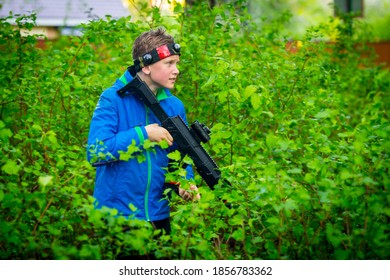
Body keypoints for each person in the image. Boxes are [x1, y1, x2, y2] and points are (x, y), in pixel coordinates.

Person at [87, 28, 200, 235]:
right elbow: (97, 152)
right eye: (169, 63)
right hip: (118, 217)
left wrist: (185, 182)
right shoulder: (112, 99)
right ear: (146, 66)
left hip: (159, 216)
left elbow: (179, 157)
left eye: (177, 63)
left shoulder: (174, 106)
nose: (176, 70)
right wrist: (144, 134)